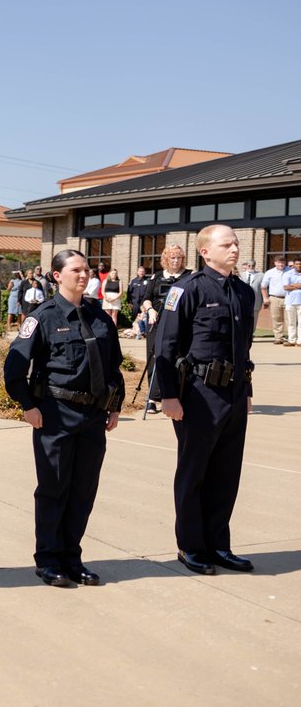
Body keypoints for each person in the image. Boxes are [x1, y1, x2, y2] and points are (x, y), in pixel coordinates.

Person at [4, 249, 123, 587]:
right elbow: (14, 370)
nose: (83, 275)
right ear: (57, 276)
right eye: (75, 270)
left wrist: (115, 404)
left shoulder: (99, 317)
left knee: (83, 490)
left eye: (86, 270)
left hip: (93, 417)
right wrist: (29, 406)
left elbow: (112, 365)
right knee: (54, 488)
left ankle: (73, 557)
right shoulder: (41, 317)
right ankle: (49, 559)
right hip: (55, 414)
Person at [155, 225, 255, 576]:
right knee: (194, 472)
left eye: (236, 243)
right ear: (205, 252)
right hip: (198, 394)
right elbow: (165, 346)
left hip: (234, 393)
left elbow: (245, 347)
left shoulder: (243, 292)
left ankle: (218, 545)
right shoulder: (187, 290)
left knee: (226, 474)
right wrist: (167, 396)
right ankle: (191, 547)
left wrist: (247, 391)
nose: (234, 249)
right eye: (226, 244)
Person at [144, 244, 190, 413]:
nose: (176, 260)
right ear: (166, 259)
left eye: (179, 257)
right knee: (155, 357)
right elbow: (146, 298)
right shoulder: (156, 276)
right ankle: (152, 397)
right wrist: (150, 310)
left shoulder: (189, 276)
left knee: (177, 357)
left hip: (179, 324)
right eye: (172, 257)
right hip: (156, 322)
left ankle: (175, 394)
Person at [261, 256, 289, 344]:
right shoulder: (269, 273)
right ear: (275, 263)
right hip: (274, 298)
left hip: (289, 298)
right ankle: (278, 338)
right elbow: (263, 286)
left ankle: (291, 337)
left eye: (283, 262)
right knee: (276, 318)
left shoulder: (290, 271)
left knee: (290, 319)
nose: (281, 264)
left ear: (285, 263)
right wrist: (265, 298)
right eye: (279, 262)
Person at [283, 258, 301, 346]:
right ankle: (292, 340)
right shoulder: (287, 274)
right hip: (290, 302)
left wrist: (293, 285)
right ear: (293, 265)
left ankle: (300, 341)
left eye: (300, 264)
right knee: (291, 322)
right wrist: (299, 286)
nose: (299, 265)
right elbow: (286, 287)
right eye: (297, 264)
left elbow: (289, 286)